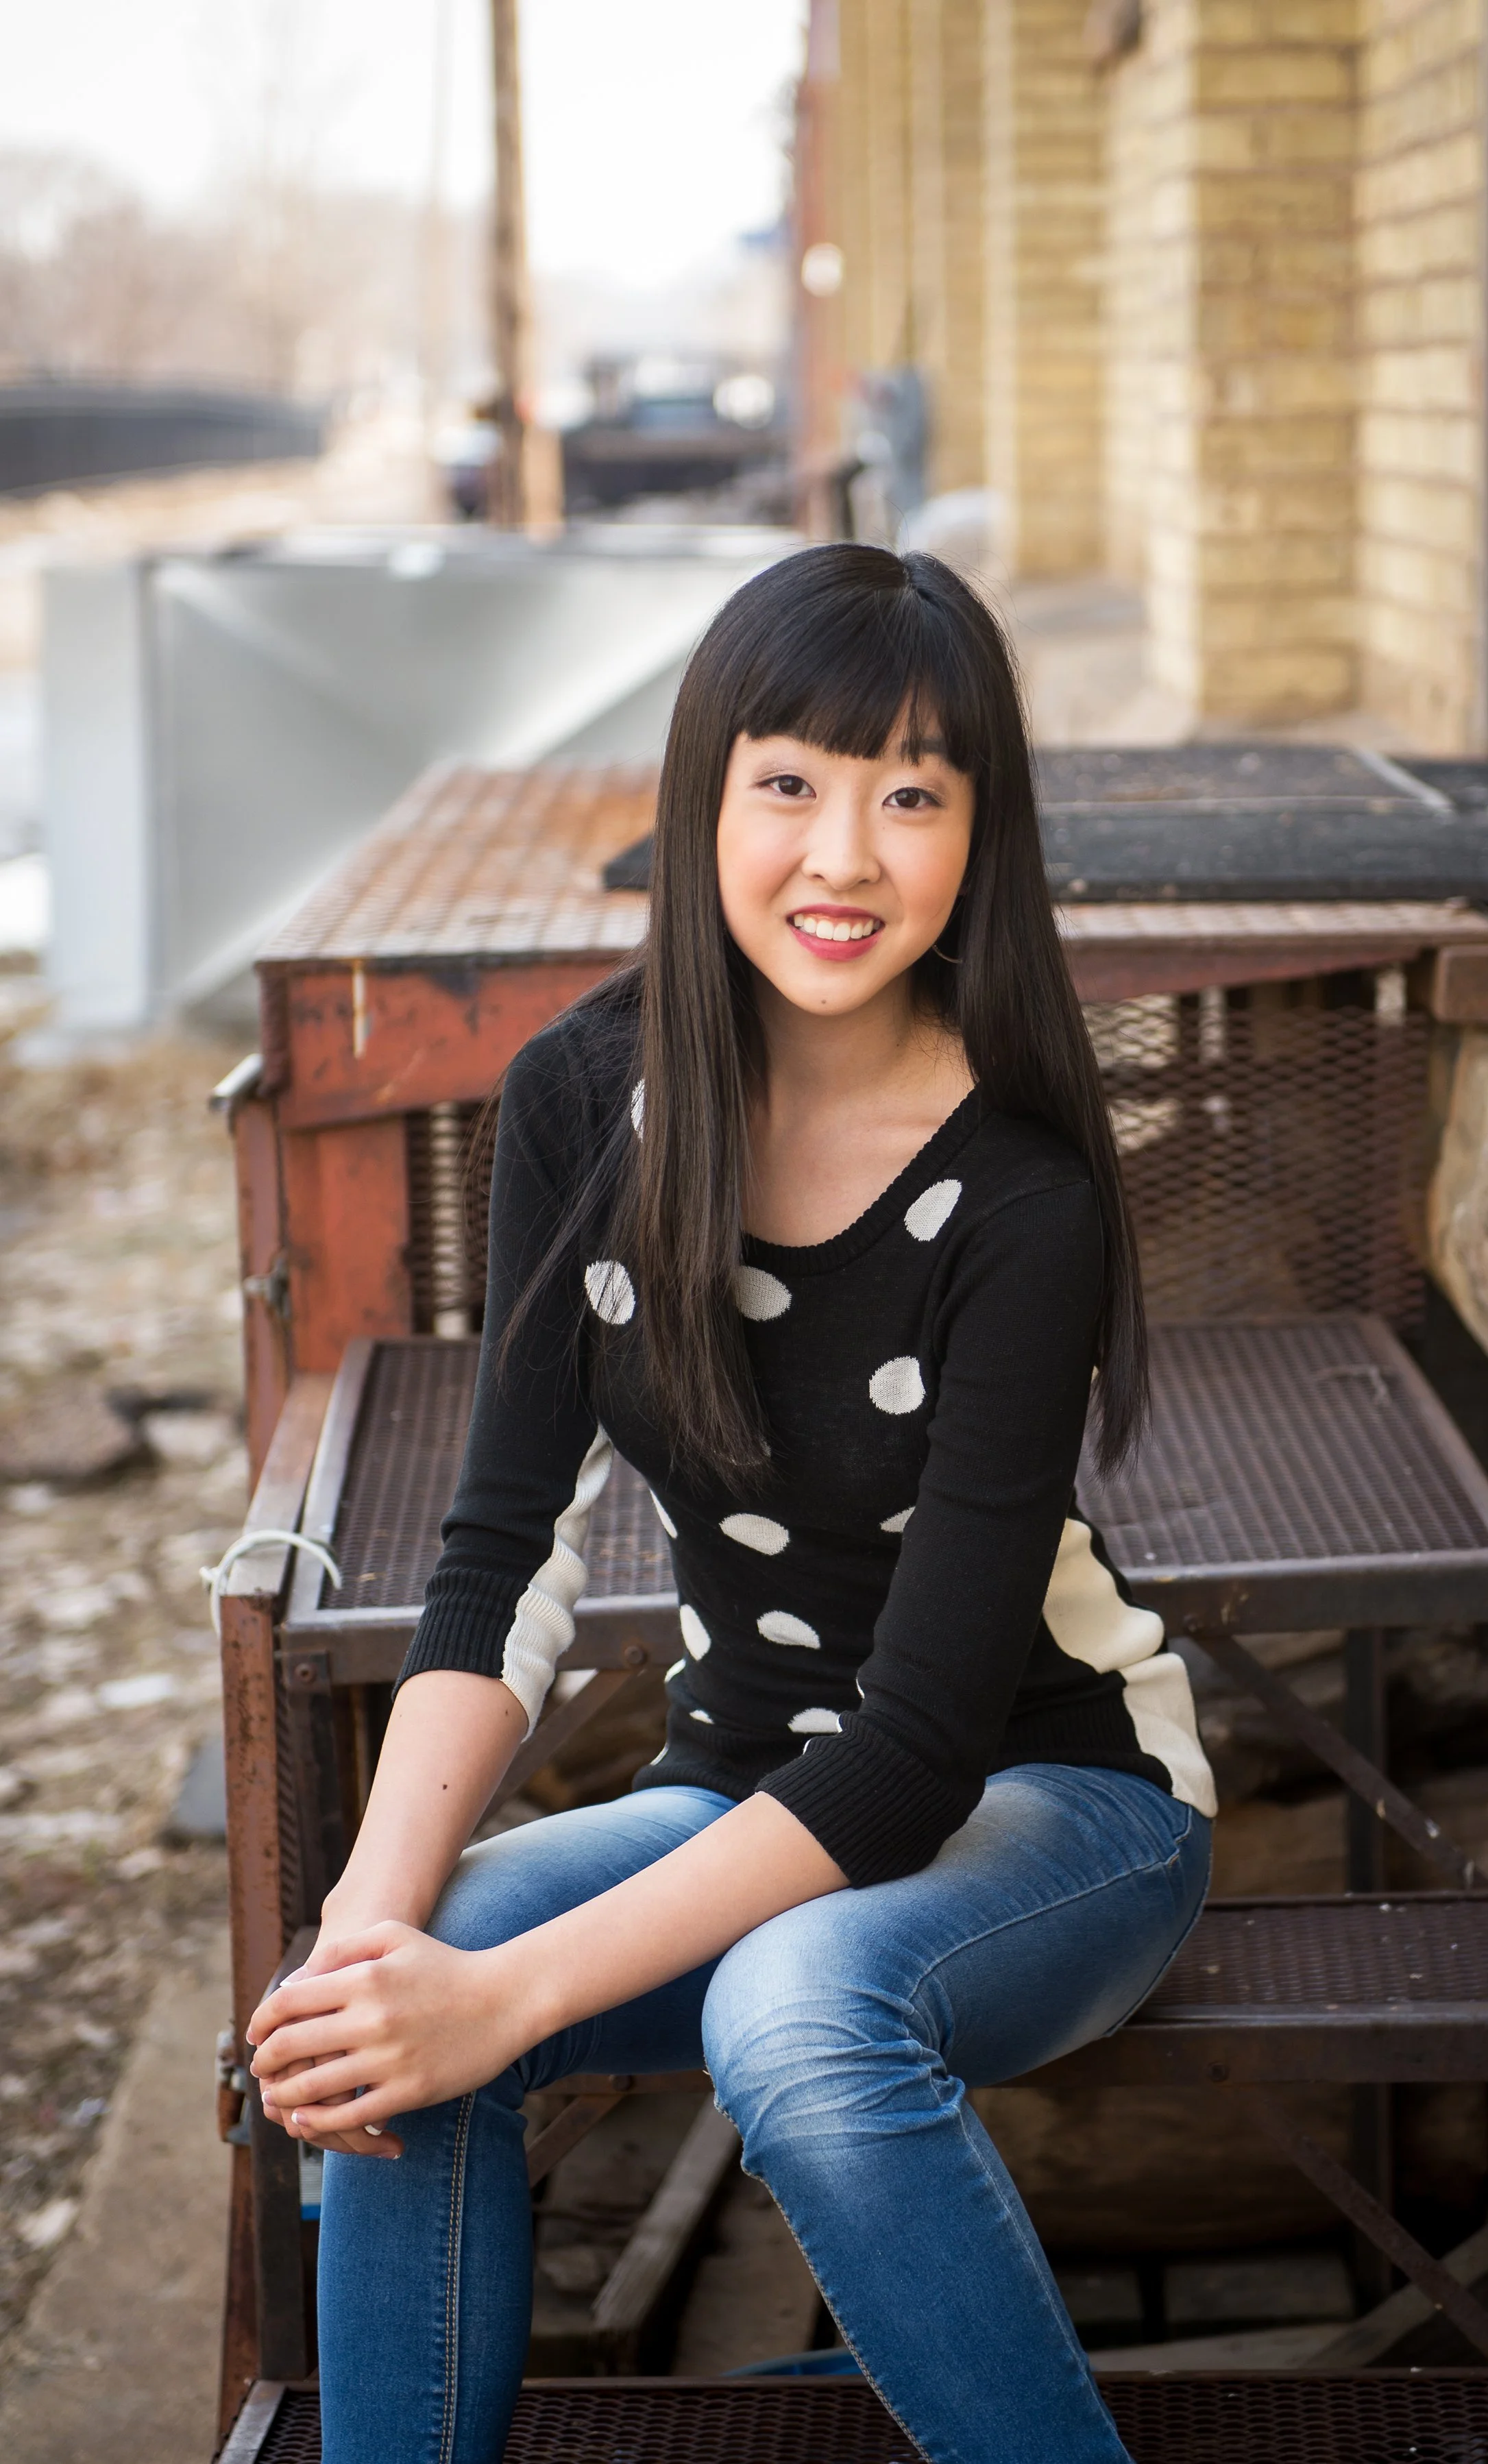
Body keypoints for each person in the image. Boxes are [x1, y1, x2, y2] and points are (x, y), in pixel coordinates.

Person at [248, 544, 1216, 2464]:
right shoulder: (579, 1101)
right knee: (386, 1989)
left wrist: (503, 1997)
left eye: (912, 796)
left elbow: (921, 1746)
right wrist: (374, 1937)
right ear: (701, 797)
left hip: (1058, 1799)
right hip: (741, 1781)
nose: (842, 857)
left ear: (980, 838)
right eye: (789, 783)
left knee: (786, 2007)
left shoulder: (1019, 1191)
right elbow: (497, 1550)